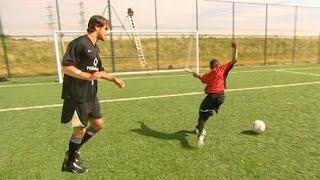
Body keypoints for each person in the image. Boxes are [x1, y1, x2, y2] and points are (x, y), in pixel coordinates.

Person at [60, 15, 125, 173]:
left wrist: (113, 78)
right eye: (106, 29)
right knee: (79, 129)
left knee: (98, 125)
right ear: (97, 26)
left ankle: (73, 150)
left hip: (90, 96)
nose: (108, 33)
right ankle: (69, 163)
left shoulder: (95, 47)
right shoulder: (78, 44)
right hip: (76, 96)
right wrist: (87, 76)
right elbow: (66, 67)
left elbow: (99, 71)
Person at [192, 41, 238, 148]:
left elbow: (201, 78)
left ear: (210, 67)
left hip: (211, 97)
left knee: (201, 115)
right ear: (218, 65)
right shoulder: (223, 69)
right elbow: (235, 60)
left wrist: (196, 75)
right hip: (221, 97)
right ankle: (198, 127)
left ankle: (200, 134)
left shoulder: (208, 74)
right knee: (207, 113)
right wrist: (236, 47)